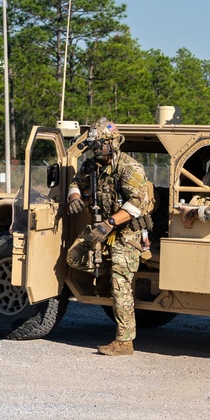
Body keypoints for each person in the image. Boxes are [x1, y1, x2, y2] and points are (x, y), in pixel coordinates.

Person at [65, 117, 150, 356]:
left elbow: (137, 205)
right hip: (102, 226)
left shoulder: (129, 167)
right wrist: (74, 197)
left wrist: (110, 223)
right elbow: (75, 183)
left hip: (127, 232)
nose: (95, 149)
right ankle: (102, 274)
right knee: (73, 257)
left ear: (113, 143)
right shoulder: (93, 167)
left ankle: (124, 342)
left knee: (120, 283)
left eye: (100, 144)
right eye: (93, 145)